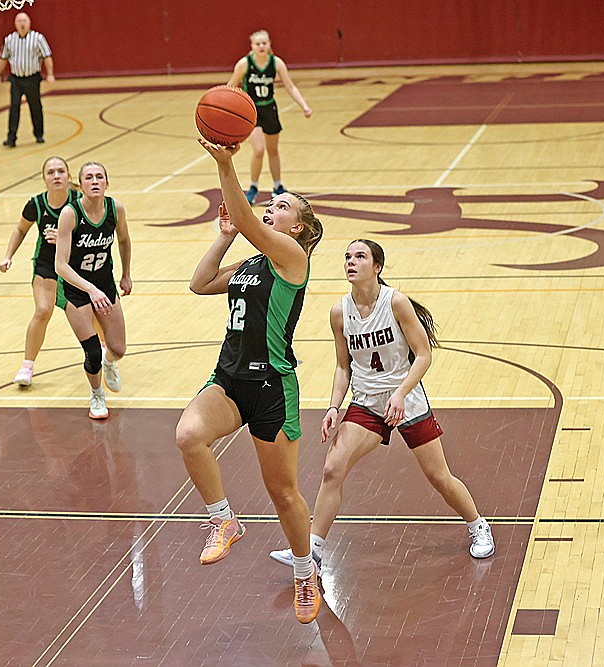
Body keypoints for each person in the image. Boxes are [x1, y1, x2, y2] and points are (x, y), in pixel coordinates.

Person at [267, 239, 495, 574]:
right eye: (347, 256)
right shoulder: (339, 312)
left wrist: (401, 393)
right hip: (367, 402)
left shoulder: (396, 303)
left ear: (377, 267)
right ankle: (312, 550)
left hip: (405, 396)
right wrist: (333, 407)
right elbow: (343, 366)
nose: (351, 261)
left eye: (360, 256)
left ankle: (478, 525)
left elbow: (424, 355)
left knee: (439, 476)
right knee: (333, 468)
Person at [176, 138, 324, 624]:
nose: (271, 208)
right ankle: (224, 520)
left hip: (271, 388)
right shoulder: (254, 261)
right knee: (189, 435)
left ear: (295, 227)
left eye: (280, 206)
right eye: (271, 204)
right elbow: (199, 284)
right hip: (229, 377)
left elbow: (245, 216)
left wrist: (225, 163)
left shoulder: (291, 260)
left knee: (283, 494)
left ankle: (305, 571)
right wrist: (223, 234)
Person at [54, 161, 131, 417]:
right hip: (76, 289)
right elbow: (61, 266)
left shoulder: (115, 208)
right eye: (89, 177)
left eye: (100, 176)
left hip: (105, 283)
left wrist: (126, 274)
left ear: (107, 182)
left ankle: (110, 364)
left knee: (118, 349)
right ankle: (97, 395)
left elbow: (123, 240)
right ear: (81, 184)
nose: (95, 181)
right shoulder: (70, 213)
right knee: (92, 351)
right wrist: (90, 290)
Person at [0, 156, 81, 386]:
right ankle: (27, 366)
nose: (56, 176)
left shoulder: (80, 200)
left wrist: (65, 238)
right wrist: (8, 256)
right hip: (46, 264)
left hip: (76, 263)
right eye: (51, 172)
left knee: (89, 311)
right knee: (43, 310)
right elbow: (20, 229)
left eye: (61, 171)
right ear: (44, 179)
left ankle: (105, 353)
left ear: (69, 176)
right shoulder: (36, 204)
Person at [227, 29, 312, 204]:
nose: (261, 46)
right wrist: (227, 111)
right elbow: (230, 87)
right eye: (257, 44)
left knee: (273, 150)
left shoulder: (276, 63)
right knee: (258, 150)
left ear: (269, 44)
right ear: (252, 46)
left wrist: (304, 106)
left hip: (269, 109)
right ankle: (253, 187)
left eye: (264, 43)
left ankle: (278, 186)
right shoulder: (244, 64)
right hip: (251, 112)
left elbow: (290, 87)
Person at [0, 12, 54, 147]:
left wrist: (50, 74)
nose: (22, 23)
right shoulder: (9, 39)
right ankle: (11, 138)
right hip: (16, 79)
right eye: (19, 21)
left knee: (35, 106)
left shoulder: (38, 38)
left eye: (24, 21)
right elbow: (3, 58)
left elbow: (47, 56)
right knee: (14, 107)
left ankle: (39, 134)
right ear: (15, 24)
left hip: (32, 78)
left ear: (29, 23)